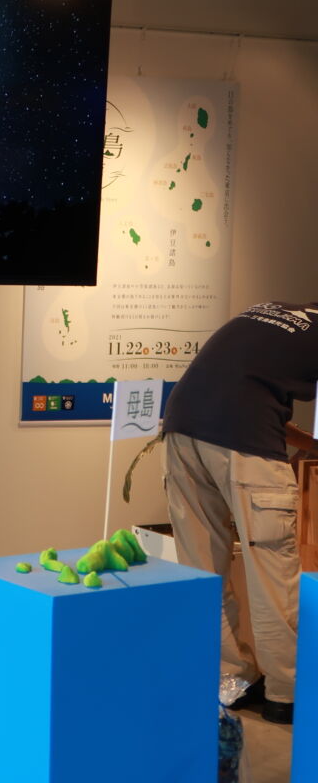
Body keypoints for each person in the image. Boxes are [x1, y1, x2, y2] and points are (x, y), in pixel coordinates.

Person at [161, 300, 318, 725]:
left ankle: (232, 679)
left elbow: (243, 396)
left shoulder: (272, 312)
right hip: (244, 447)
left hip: (181, 430)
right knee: (273, 575)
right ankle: (288, 694)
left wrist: (309, 445)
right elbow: (247, 410)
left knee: (203, 567)